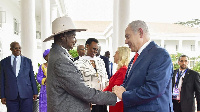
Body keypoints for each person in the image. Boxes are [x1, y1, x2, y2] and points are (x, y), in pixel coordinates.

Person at [43, 16, 116, 112]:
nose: (75, 40)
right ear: (63, 36)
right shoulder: (60, 60)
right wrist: (114, 97)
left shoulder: (58, 54)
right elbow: (83, 91)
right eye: (73, 36)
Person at [112, 20, 173, 112]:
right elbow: (130, 84)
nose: (126, 41)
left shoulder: (160, 54)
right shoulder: (135, 58)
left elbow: (154, 89)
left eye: (128, 37)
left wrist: (124, 95)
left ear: (140, 33)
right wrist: (119, 89)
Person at [0, 41, 38, 112]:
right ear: (11, 49)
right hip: (11, 95)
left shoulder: (27, 61)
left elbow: (32, 77)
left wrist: (35, 92)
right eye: (15, 48)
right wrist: (2, 95)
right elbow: (2, 80)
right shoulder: (4, 62)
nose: (18, 50)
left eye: (19, 48)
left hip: (26, 94)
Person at [74, 38, 109, 112]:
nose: (95, 51)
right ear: (87, 46)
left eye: (97, 49)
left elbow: (106, 79)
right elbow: (77, 84)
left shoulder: (101, 62)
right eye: (93, 49)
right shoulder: (78, 63)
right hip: (88, 101)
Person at [103, 47, 130, 112]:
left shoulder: (123, 71)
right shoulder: (121, 70)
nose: (113, 55)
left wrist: (99, 95)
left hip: (118, 106)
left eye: (116, 53)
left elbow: (115, 90)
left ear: (121, 55)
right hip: (115, 105)